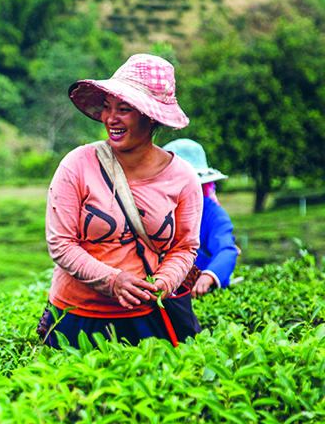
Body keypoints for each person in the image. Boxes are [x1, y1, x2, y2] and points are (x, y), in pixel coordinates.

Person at [41, 54, 202, 349]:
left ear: (150, 116)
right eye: (107, 107)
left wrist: (164, 282)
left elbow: (184, 247)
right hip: (76, 316)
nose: (110, 119)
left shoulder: (183, 178)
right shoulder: (77, 164)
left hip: (146, 317)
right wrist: (113, 280)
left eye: (124, 109)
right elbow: (60, 243)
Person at [163, 138, 238, 297]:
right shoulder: (155, 211)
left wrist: (209, 275)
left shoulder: (211, 212)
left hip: (200, 294)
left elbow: (226, 249)